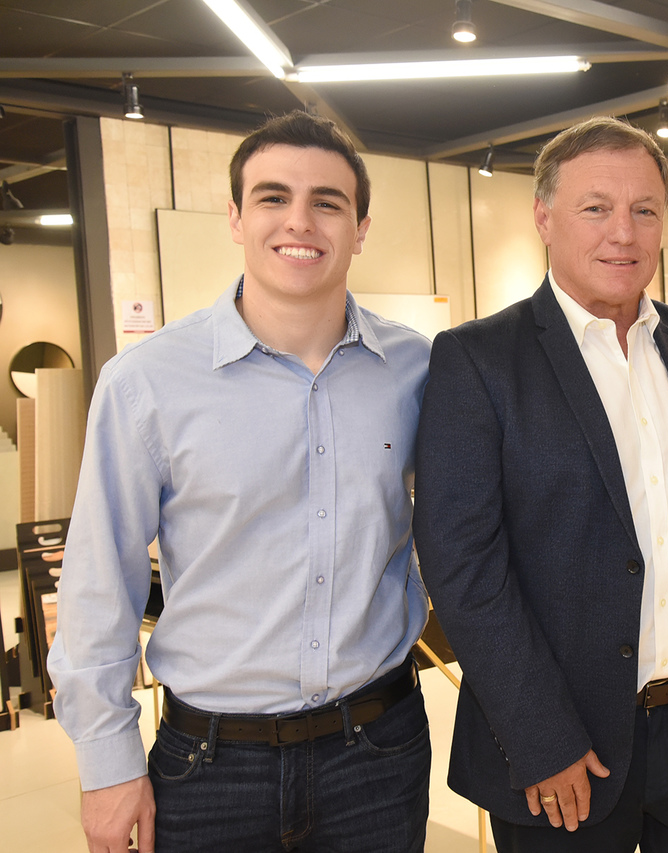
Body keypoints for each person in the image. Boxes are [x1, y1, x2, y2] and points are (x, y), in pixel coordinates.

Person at [47, 110, 432, 853]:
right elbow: (101, 581)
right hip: (210, 767)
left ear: (361, 226)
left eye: (328, 201)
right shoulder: (145, 384)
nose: (300, 221)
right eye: (272, 197)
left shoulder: (416, 371)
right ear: (234, 217)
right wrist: (105, 764)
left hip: (379, 756)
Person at [414, 116, 668, 852]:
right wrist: (539, 736)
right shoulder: (478, 360)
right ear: (544, 217)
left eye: (645, 210)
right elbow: (464, 567)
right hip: (564, 751)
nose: (625, 231)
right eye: (596, 207)